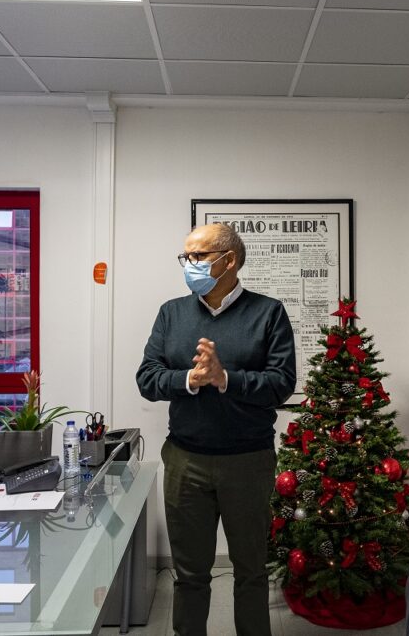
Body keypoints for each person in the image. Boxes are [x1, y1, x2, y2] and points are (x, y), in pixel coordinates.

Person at [136, 223, 296, 636]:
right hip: (185, 461)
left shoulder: (268, 312)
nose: (188, 264)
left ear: (229, 260)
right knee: (189, 574)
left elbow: (281, 384)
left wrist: (226, 379)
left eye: (198, 255)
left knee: (251, 571)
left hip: (249, 461)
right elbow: (147, 378)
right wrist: (190, 379)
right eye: (185, 256)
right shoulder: (171, 313)